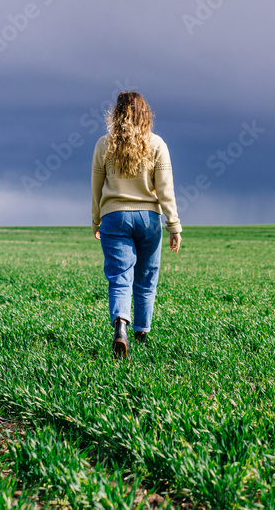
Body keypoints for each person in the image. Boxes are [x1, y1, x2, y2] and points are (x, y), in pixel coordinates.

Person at [91, 90, 181, 359]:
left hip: (114, 216)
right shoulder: (157, 144)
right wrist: (174, 225)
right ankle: (142, 332)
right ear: (146, 115)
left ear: (116, 114)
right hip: (148, 219)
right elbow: (165, 190)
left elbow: (96, 188)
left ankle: (120, 326)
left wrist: (96, 220)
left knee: (120, 278)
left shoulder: (103, 145)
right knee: (146, 277)